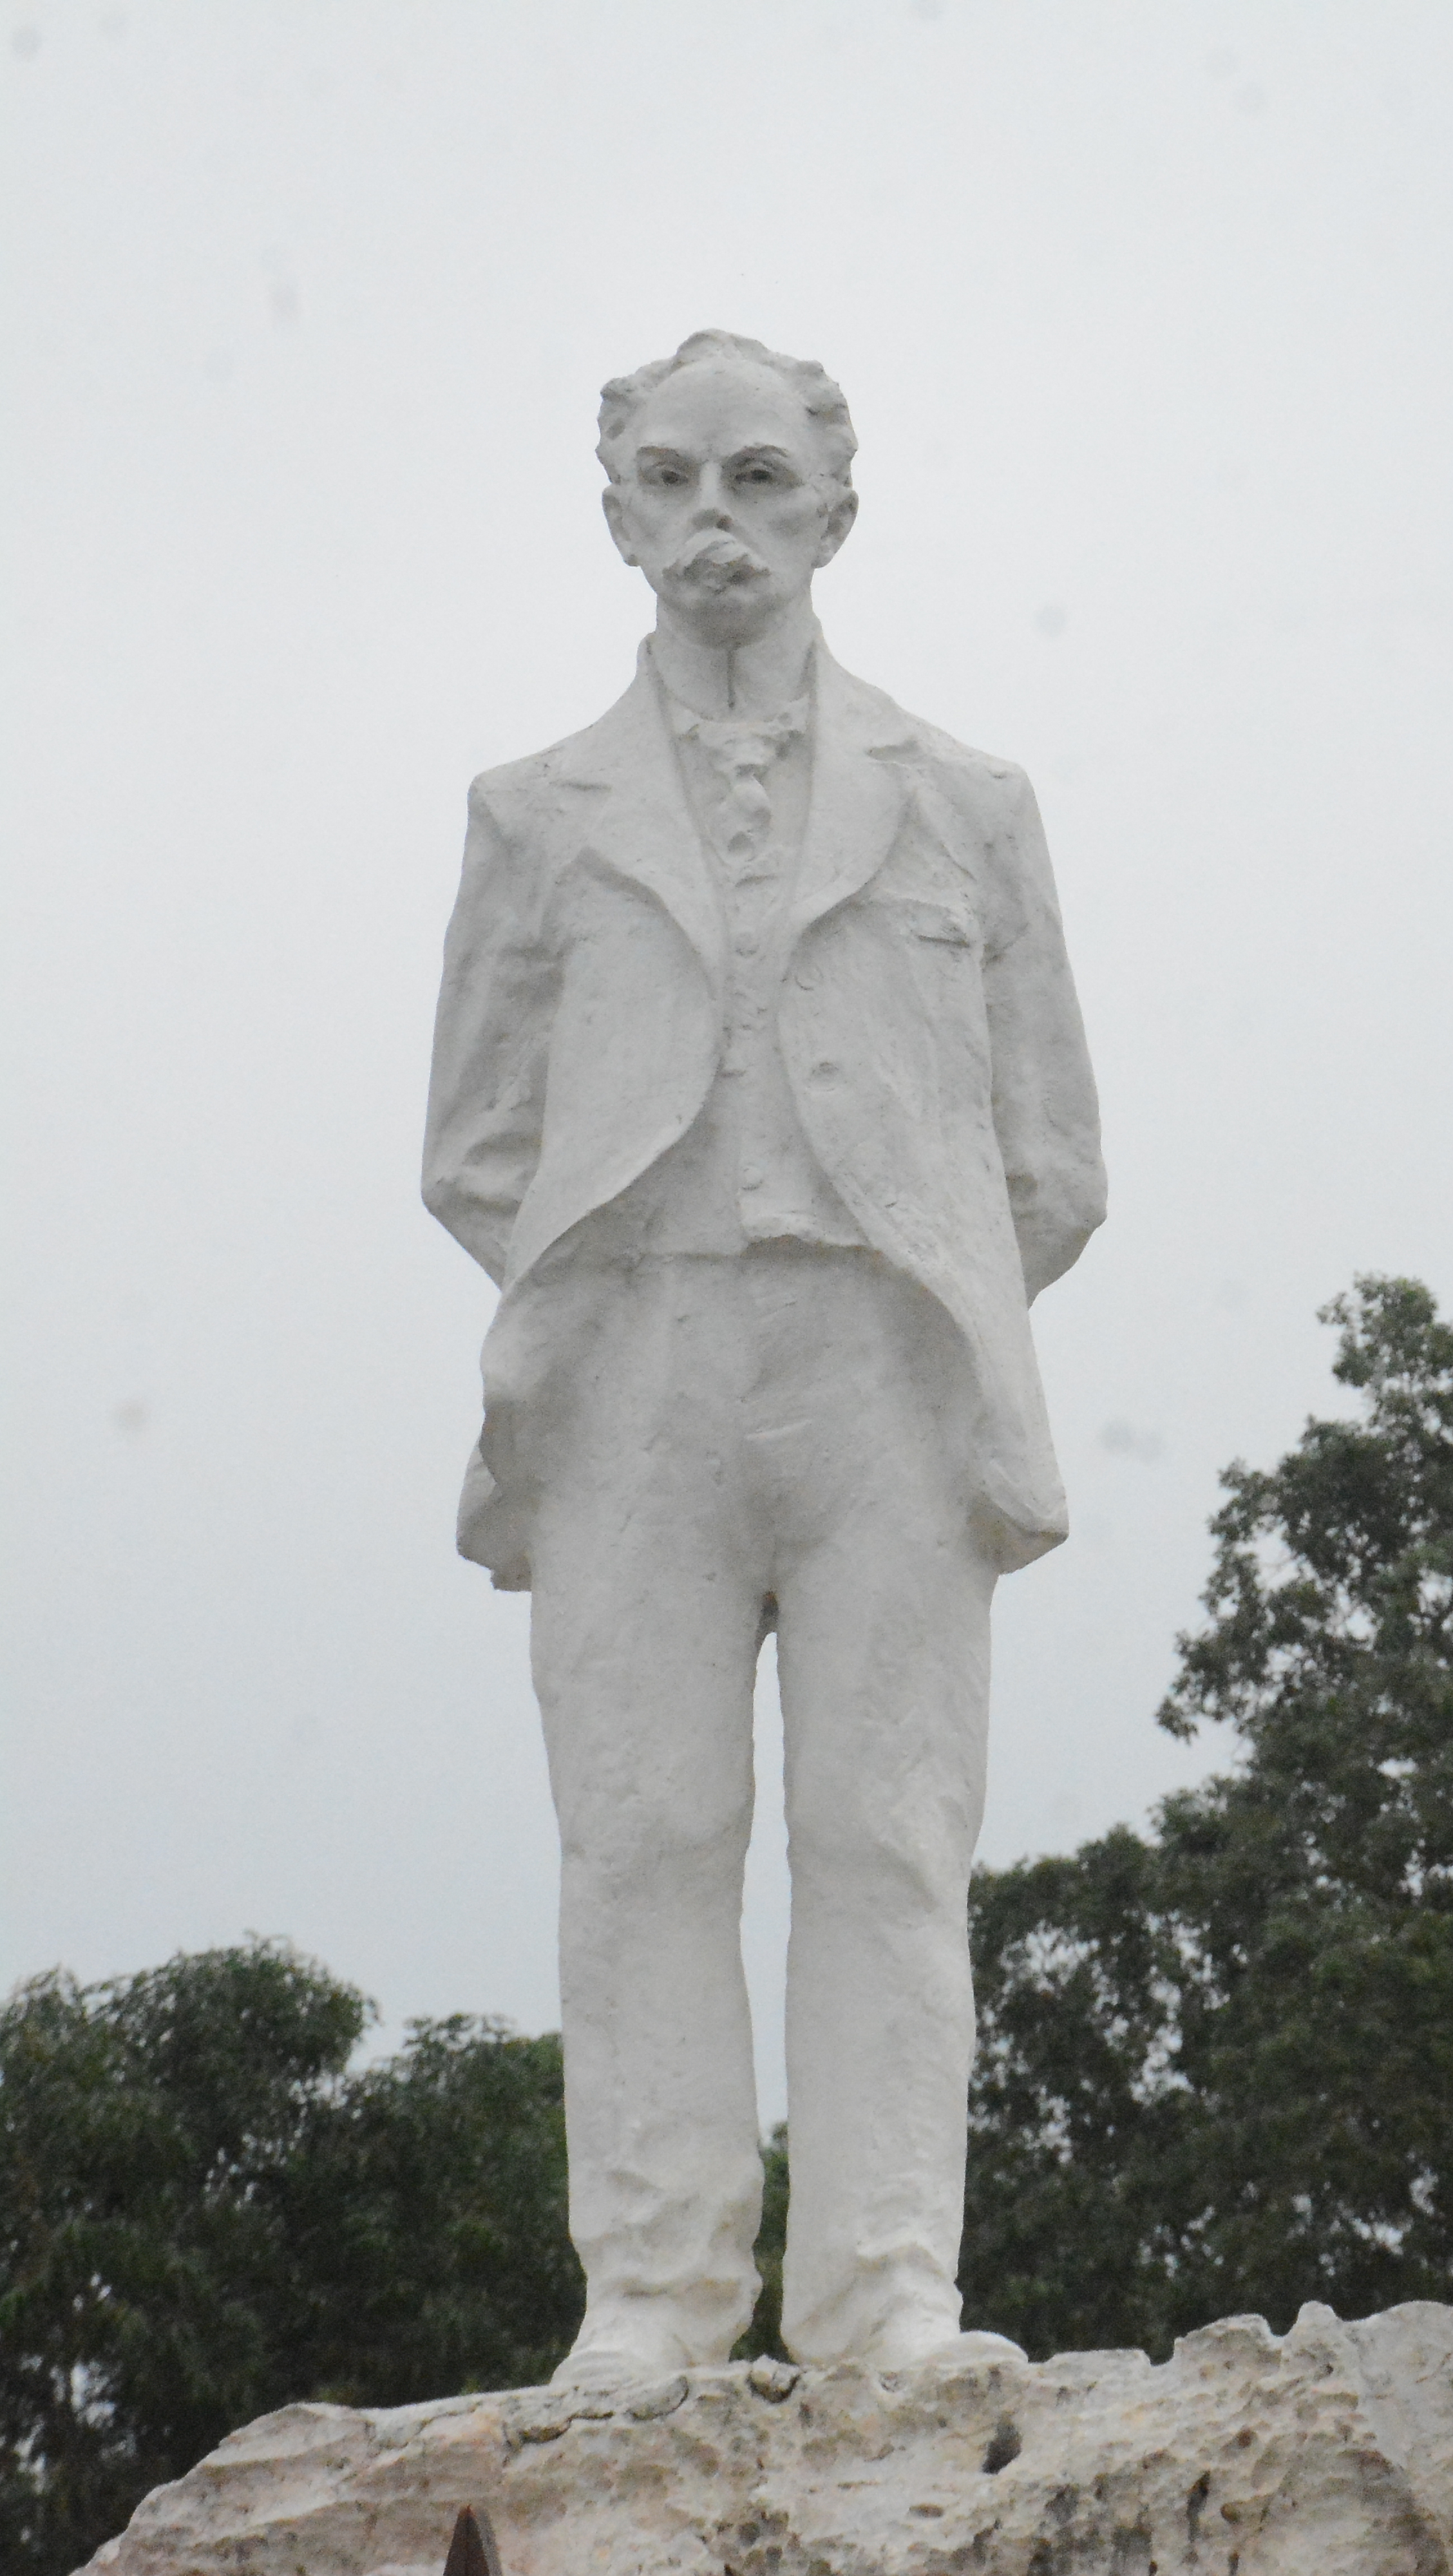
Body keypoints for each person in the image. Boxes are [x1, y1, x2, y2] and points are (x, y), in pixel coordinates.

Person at [423, 329, 1103, 2381]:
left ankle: (886, 2292)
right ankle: (652, 2290)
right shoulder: (533, 815)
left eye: (757, 480)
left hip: (887, 1364)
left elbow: (1050, 1159)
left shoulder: (966, 804)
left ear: (834, 509)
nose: (715, 519)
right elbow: (472, 1145)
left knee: (889, 1837)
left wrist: (902, 1279)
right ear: (618, 508)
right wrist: (632, 1274)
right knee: (645, 1832)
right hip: (634, 1361)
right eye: (674, 480)